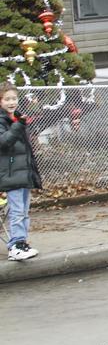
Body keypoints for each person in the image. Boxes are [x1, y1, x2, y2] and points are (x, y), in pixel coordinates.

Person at [1, 83, 41, 261]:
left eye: (14, 98)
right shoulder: (5, 121)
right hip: (10, 175)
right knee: (17, 211)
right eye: (7, 99)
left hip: (22, 173)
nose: (11, 102)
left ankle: (22, 242)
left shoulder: (16, 118)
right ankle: (15, 246)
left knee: (24, 211)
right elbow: (4, 142)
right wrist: (18, 125)